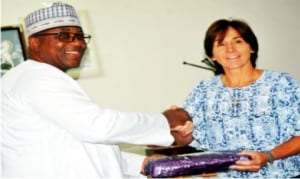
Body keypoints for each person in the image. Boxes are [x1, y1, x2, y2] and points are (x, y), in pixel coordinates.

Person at [1, 2, 193, 178]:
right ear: (34, 42)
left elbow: (81, 147)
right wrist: (166, 123)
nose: (78, 43)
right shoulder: (36, 78)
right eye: (64, 35)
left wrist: (141, 163)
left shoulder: (33, 77)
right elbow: (99, 127)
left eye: (80, 36)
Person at [181, 19, 300, 177]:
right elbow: (185, 137)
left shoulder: (281, 84)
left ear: (251, 47)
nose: (230, 49)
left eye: (238, 41)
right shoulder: (203, 90)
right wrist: (177, 125)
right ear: (212, 55)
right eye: (221, 44)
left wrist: (268, 156)